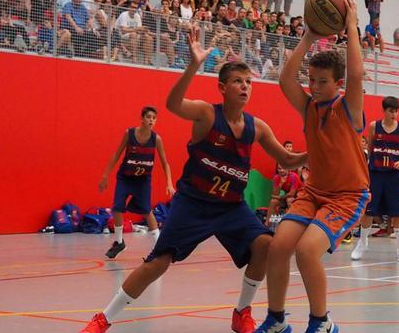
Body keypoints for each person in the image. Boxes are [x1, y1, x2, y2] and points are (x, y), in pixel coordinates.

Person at [78, 35, 307, 333]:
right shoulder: (207, 114)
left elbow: (288, 160)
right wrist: (193, 65)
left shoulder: (257, 127)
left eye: (248, 82)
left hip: (230, 207)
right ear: (222, 88)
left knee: (265, 245)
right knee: (158, 262)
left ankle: (242, 313)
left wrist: (315, 151)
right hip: (193, 203)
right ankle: (103, 319)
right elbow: (172, 104)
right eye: (238, 81)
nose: (245, 87)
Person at [259, 0, 368, 333]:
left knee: (307, 252)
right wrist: (309, 35)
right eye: (313, 81)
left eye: (323, 82)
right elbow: (285, 81)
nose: (315, 87)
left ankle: (322, 322)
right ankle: (276, 320)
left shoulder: (348, 109)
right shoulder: (309, 108)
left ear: (338, 84)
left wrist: (350, 28)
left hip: (347, 196)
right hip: (314, 192)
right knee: (277, 246)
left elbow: (358, 74)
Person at [98, 106, 175, 260]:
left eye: (154, 118)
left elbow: (165, 163)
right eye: (148, 117)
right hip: (125, 177)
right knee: (117, 208)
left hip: (143, 181)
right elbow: (116, 154)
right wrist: (105, 175)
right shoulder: (130, 134)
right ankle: (119, 242)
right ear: (142, 118)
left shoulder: (156, 139)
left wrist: (169, 183)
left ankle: (159, 248)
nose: (151, 120)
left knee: (147, 211)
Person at [351, 96, 399, 263]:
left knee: (397, 212)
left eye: (396, 111)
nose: (394, 114)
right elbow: (370, 149)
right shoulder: (374, 126)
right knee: (369, 209)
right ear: (384, 110)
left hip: (394, 175)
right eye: (391, 111)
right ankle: (362, 244)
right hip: (376, 173)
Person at [267, 161, 301, 226]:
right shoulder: (276, 178)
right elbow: (275, 194)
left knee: (289, 200)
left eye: (284, 168)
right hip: (286, 198)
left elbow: (292, 194)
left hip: (299, 198)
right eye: (279, 168)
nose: (281, 170)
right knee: (273, 201)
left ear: (288, 169)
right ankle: (269, 224)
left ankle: (290, 225)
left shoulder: (293, 176)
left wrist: (279, 197)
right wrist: (281, 184)